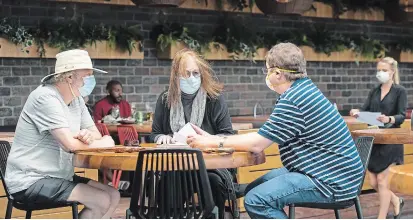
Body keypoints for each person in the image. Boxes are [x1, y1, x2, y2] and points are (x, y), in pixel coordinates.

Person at [187, 43, 364, 219]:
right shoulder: (303, 90)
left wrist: (210, 142)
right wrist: (213, 138)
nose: (267, 75)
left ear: (278, 74)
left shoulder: (294, 99)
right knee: (253, 188)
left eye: (267, 70)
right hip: (333, 174)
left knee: (256, 200)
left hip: (331, 182)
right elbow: (263, 135)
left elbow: (257, 144)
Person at [5, 49, 120, 219]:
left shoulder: (76, 100)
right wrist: (106, 142)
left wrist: (90, 137)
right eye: (86, 76)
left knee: (113, 195)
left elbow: (94, 133)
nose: (90, 80)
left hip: (59, 176)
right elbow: (69, 145)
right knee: (101, 200)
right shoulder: (45, 97)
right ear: (69, 77)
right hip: (30, 180)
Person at [149, 49, 237, 218]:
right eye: (186, 73)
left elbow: (228, 135)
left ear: (202, 74)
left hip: (212, 166)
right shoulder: (165, 99)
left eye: (195, 73)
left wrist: (207, 139)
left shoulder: (214, 99)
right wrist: (162, 138)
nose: (191, 78)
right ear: (176, 76)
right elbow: (155, 133)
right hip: (177, 166)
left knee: (213, 183)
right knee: (166, 185)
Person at [350, 57, 406, 219]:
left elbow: (402, 115)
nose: (380, 73)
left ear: (392, 72)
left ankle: (381, 217)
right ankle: (396, 201)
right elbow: (365, 111)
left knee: (382, 182)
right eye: (379, 70)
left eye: (384, 70)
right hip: (375, 140)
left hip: (390, 140)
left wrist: (389, 119)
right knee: (374, 182)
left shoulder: (399, 91)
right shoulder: (374, 91)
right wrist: (357, 113)